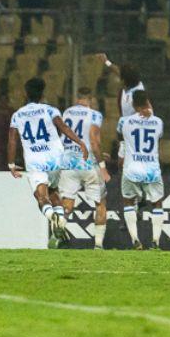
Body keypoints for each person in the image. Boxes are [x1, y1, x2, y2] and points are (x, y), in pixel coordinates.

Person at [7, 77, 86, 247]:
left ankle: (52, 217)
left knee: (40, 196)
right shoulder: (50, 110)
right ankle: (59, 222)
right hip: (55, 157)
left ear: (25, 93)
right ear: (42, 94)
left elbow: (12, 141)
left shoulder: (17, 115)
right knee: (53, 191)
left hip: (35, 160)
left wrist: (11, 164)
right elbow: (63, 127)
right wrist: (80, 143)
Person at [59, 88, 112, 249]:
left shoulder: (67, 112)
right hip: (88, 162)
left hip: (68, 163)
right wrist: (102, 165)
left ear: (77, 99)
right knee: (100, 202)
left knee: (67, 203)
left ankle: (59, 230)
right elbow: (94, 142)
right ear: (90, 99)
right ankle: (98, 245)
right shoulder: (94, 114)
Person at [117, 89, 165, 250]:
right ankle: (156, 241)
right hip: (152, 168)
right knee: (157, 204)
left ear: (133, 104)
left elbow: (121, 141)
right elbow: (158, 140)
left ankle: (135, 241)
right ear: (148, 102)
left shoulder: (124, 122)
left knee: (128, 202)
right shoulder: (158, 122)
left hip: (131, 168)